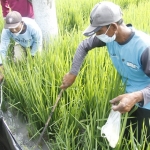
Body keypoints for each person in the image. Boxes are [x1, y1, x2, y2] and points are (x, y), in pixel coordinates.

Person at [60, 1, 150, 143]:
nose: (97, 36)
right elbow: (84, 45)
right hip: (127, 96)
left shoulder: (144, 48)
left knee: (140, 140)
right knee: (125, 136)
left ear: (113, 26)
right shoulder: (110, 38)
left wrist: (136, 96)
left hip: (147, 102)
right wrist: (73, 73)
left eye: (99, 32)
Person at [0, 11, 42, 81]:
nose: (13, 30)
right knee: (18, 61)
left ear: (22, 23)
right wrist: (1, 65)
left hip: (34, 44)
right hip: (20, 43)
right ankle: (21, 76)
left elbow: (37, 42)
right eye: (11, 28)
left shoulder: (33, 27)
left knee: (36, 64)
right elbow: (3, 48)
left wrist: (32, 56)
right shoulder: (6, 30)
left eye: (15, 27)